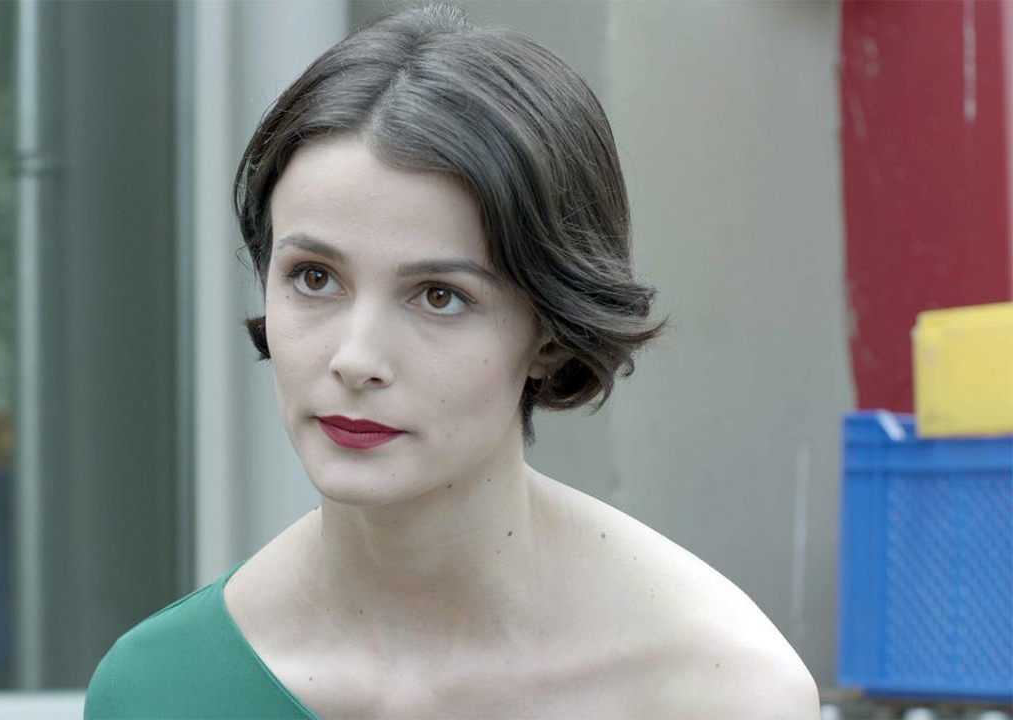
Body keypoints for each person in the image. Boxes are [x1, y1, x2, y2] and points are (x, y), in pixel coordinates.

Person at [85, 3, 819, 718]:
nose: (356, 359)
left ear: (550, 333)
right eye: (314, 277)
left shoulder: (714, 690)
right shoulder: (161, 690)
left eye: (439, 296)